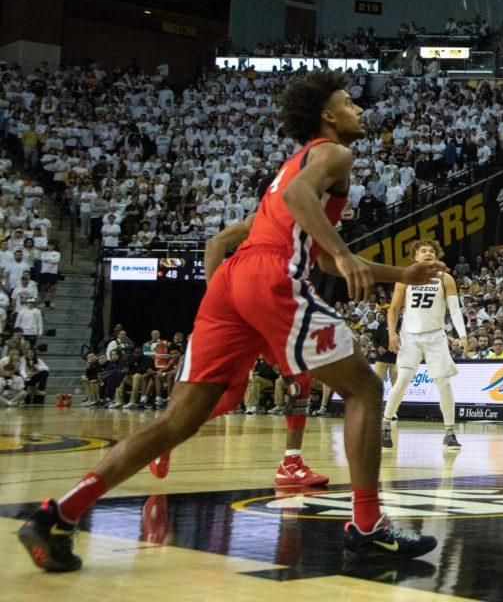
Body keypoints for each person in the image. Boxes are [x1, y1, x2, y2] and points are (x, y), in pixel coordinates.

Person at [20, 71, 445, 572]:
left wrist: (402, 273)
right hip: (270, 274)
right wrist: (343, 252)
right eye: (350, 102)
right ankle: (369, 530)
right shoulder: (335, 154)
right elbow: (308, 221)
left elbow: (302, 253)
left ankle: (60, 514)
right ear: (328, 116)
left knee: (177, 420)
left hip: (232, 283)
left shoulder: (290, 167)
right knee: (365, 390)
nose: (360, 109)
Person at [197, 204, 326, 487]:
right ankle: (166, 436)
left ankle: (291, 462)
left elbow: (330, 263)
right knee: (228, 391)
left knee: (297, 377)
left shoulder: (315, 221)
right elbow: (215, 242)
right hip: (250, 301)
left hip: (274, 305)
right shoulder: (262, 219)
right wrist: (213, 291)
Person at [382, 240, 466, 451]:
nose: (428, 254)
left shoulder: (445, 278)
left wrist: (462, 334)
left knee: (444, 384)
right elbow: (393, 310)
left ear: (436, 256)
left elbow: (454, 310)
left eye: (432, 251)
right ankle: (385, 423)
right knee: (401, 381)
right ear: (415, 256)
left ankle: (449, 432)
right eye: (423, 251)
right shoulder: (405, 278)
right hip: (409, 336)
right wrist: (392, 333)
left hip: (436, 336)